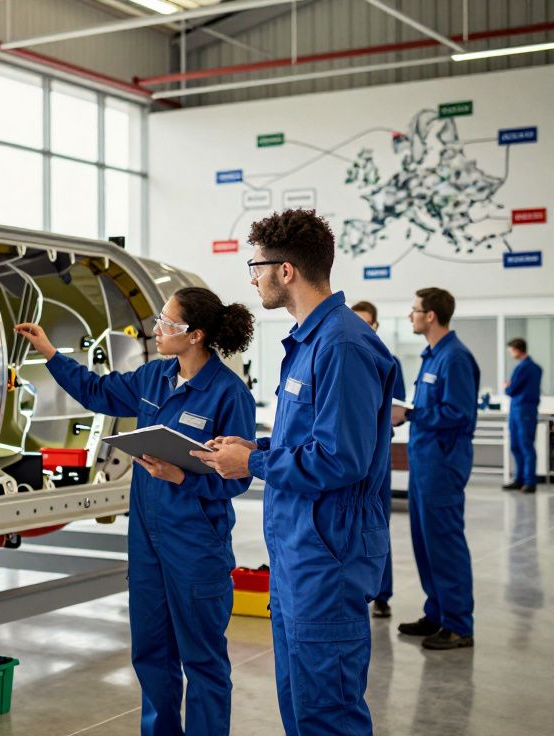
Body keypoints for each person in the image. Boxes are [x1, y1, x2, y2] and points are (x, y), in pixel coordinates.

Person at [16, 286, 255, 736]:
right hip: (147, 540)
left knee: (202, 660)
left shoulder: (228, 394)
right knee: (151, 652)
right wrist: (49, 352)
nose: (157, 328)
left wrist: (182, 477)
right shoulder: (154, 378)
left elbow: (240, 477)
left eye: (168, 323)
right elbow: (97, 391)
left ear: (197, 335)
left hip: (196, 545)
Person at [192, 209, 396, 736]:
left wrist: (253, 463)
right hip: (298, 552)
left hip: (328, 555)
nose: (252, 278)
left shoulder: (341, 346)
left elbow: (341, 459)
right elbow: (313, 439)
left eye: (256, 266)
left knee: (326, 712)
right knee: (302, 704)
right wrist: (255, 445)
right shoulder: (310, 342)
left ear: (286, 271)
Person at [393, 287, 478, 650]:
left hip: (443, 464)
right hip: (426, 462)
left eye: (414, 311)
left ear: (430, 316)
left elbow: (459, 414)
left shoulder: (455, 358)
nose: (411, 316)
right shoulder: (433, 356)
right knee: (425, 541)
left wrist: (410, 413)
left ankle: (458, 625)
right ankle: (438, 613)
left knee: (444, 542)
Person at [350, 300, 407, 619]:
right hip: (348, 453)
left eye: (367, 323)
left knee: (376, 523)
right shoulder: (342, 353)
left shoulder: (386, 359)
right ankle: (356, 589)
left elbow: (393, 407)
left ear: (375, 326)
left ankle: (381, 592)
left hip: (376, 454)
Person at [503, 337, 543, 494]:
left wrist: (507, 386)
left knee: (525, 446)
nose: (511, 354)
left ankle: (529, 482)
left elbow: (511, 390)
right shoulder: (533, 368)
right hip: (518, 410)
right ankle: (519, 479)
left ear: (517, 349)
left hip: (523, 410)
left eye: (511, 351)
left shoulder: (525, 368)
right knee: (516, 446)